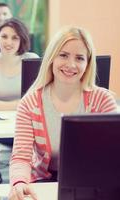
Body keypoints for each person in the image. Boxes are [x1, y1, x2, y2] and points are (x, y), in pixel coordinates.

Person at [9, 26, 118, 200]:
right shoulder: (29, 103)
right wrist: (19, 183)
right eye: (64, 55)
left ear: (87, 63)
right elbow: (21, 157)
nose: (71, 65)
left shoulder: (103, 100)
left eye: (80, 58)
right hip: (44, 182)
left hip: (91, 183)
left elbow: (114, 155)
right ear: (52, 58)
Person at [0, 18, 39, 111]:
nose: (9, 42)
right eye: (4, 36)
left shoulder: (32, 59)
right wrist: (20, 104)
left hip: (27, 116)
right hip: (0, 118)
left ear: (21, 40)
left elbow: (37, 100)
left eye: (15, 38)